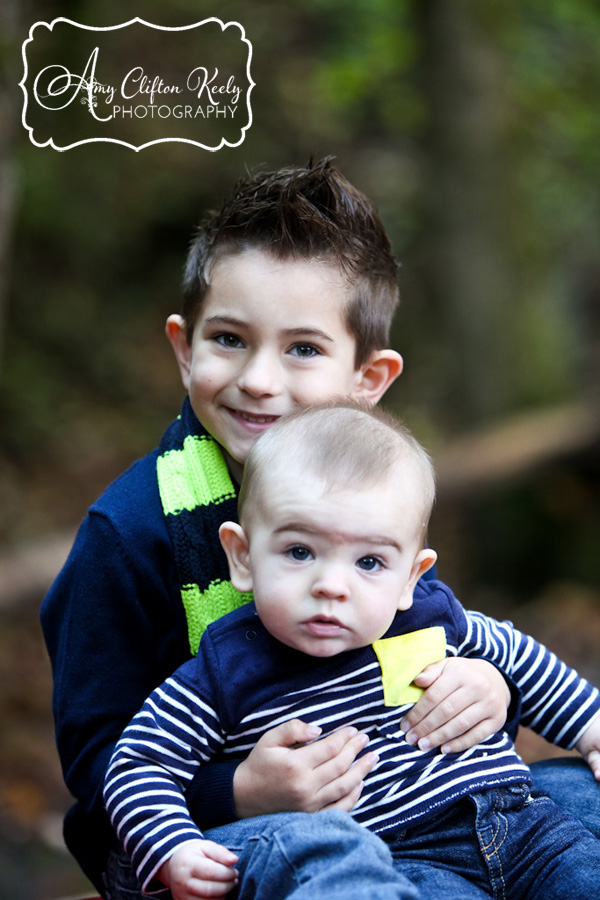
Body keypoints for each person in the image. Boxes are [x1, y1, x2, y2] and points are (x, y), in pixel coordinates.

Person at [40, 158, 597, 896]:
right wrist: (239, 791)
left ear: (367, 380)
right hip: (222, 831)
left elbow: (419, 634)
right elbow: (101, 762)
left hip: (405, 803)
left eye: (302, 349)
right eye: (230, 340)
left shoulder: (372, 488)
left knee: (573, 798)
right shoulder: (132, 530)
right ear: (184, 348)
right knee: (323, 849)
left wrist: (492, 691)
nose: (260, 380)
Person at [105, 403, 600, 900]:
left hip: (526, 827)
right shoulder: (225, 671)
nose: (332, 586)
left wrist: (591, 726)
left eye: (369, 561)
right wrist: (172, 847)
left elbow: (520, 657)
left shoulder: (429, 616)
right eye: (300, 552)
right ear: (243, 556)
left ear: (411, 575)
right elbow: (138, 763)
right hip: (406, 861)